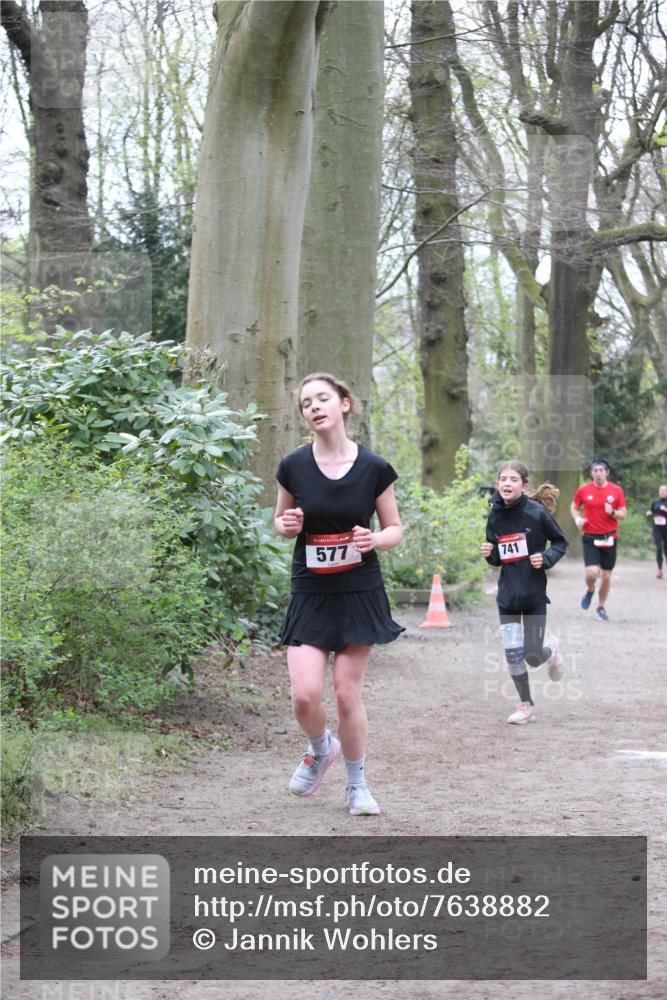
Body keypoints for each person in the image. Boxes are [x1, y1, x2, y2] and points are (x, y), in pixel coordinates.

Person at [274, 372, 403, 816]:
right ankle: (319, 747)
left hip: (357, 589)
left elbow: (394, 528)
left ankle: (356, 785)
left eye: (323, 398)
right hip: (311, 589)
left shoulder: (374, 468)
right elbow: (280, 519)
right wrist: (286, 524)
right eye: (306, 402)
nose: (314, 406)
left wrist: (375, 540)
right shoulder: (292, 465)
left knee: (347, 693)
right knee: (305, 695)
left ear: (344, 404)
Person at [480, 461, 568, 725]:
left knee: (532, 654)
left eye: (513, 479)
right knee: (512, 653)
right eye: (503, 479)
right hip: (507, 595)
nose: (507, 483)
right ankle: (526, 705)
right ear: (497, 484)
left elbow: (561, 542)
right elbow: (498, 557)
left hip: (533, 595)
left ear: (524, 485)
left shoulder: (536, 513)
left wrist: (546, 557)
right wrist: (490, 553)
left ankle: (551, 653)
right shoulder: (494, 514)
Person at [570, 459, 627, 621]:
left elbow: (623, 514)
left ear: (607, 472)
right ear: (591, 473)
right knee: (592, 572)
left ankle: (601, 607)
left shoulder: (616, 491)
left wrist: (613, 512)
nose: (598, 473)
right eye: (595, 470)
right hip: (590, 537)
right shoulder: (583, 490)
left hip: (610, 537)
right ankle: (590, 589)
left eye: (602, 470)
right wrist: (577, 519)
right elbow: (574, 507)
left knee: (607, 576)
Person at [646, 484, 667, 579]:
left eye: (664, 490)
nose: (662, 492)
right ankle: (660, 570)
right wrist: (649, 513)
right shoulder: (655, 502)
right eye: (661, 490)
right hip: (657, 528)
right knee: (658, 547)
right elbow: (652, 512)